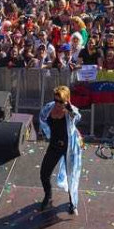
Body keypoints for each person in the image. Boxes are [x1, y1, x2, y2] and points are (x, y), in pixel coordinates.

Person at [36, 85, 83, 215]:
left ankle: (73, 203)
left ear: (67, 100)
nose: (57, 104)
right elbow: (41, 117)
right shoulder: (49, 107)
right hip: (54, 145)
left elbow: (78, 116)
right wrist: (46, 132)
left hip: (69, 148)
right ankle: (48, 196)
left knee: (71, 177)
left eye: (60, 101)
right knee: (44, 173)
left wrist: (69, 109)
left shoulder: (71, 111)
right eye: (55, 100)